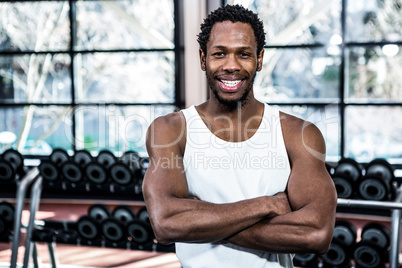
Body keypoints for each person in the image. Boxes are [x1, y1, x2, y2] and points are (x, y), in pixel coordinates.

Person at [142, 4, 337, 268]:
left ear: (259, 59)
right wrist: (266, 206)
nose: (231, 66)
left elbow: (316, 234)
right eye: (219, 53)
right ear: (203, 59)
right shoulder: (171, 131)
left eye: (243, 54)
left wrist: (199, 218)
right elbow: (166, 224)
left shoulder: (298, 135)